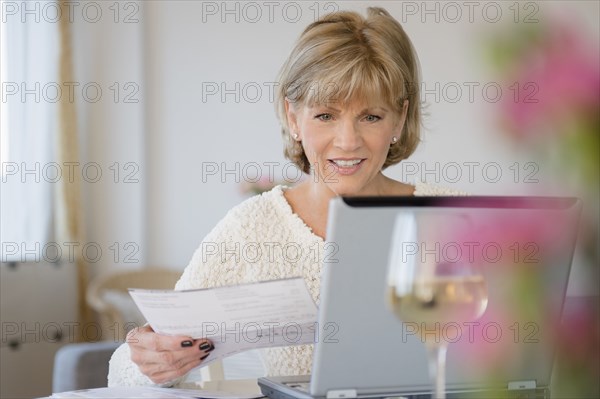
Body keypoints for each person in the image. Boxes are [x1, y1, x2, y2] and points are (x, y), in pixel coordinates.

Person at [108, 6, 464, 387]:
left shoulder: (452, 217)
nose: (347, 141)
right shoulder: (253, 228)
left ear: (399, 119)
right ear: (292, 117)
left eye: (371, 117)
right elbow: (125, 370)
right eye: (326, 115)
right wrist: (151, 359)